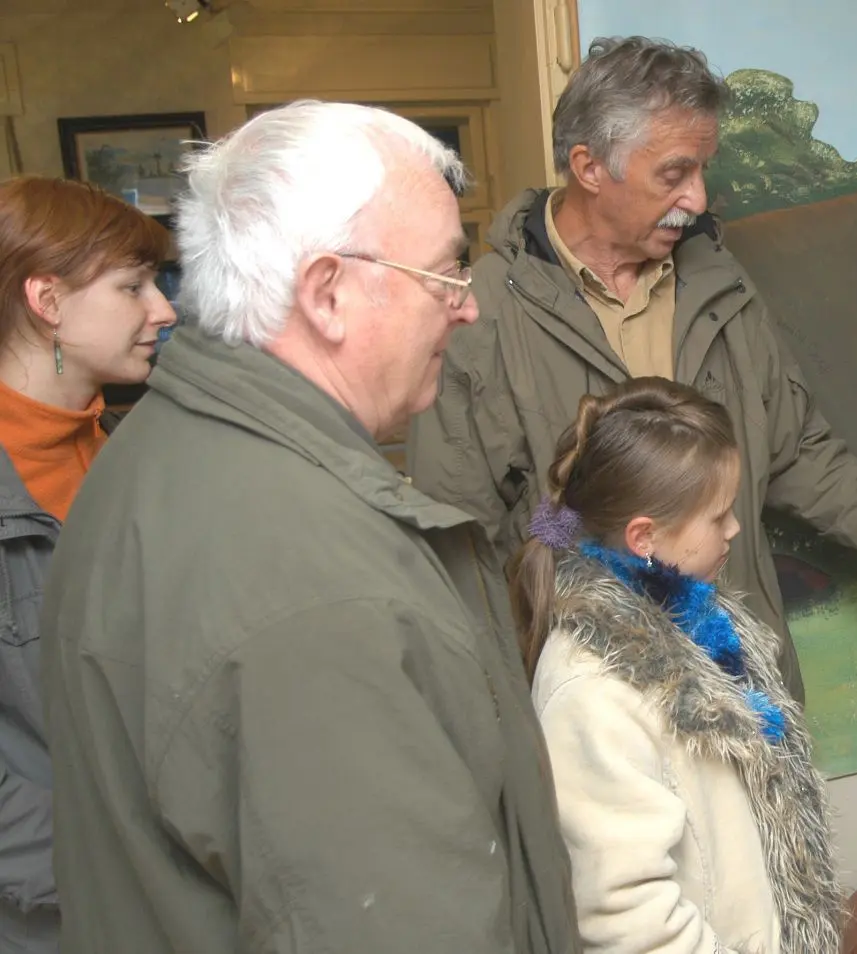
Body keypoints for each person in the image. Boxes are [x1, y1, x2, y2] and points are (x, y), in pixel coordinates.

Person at [38, 101, 579, 953]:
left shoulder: (158, 448)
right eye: (445, 277)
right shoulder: (316, 591)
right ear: (328, 293)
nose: (465, 310)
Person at [408, 36, 857, 705]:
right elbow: (460, 543)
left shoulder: (723, 285)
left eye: (703, 170)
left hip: (739, 694)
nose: (697, 198)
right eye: (673, 173)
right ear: (589, 167)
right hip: (591, 705)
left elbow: (798, 454)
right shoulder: (479, 314)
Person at [515, 376, 844, 953]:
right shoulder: (590, 693)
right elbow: (628, 921)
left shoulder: (701, 628)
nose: (734, 529)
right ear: (645, 536)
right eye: (718, 517)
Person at [0, 176, 176, 954]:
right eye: (132, 287)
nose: (163, 310)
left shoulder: (130, 458)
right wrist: (117, 873)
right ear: (48, 301)